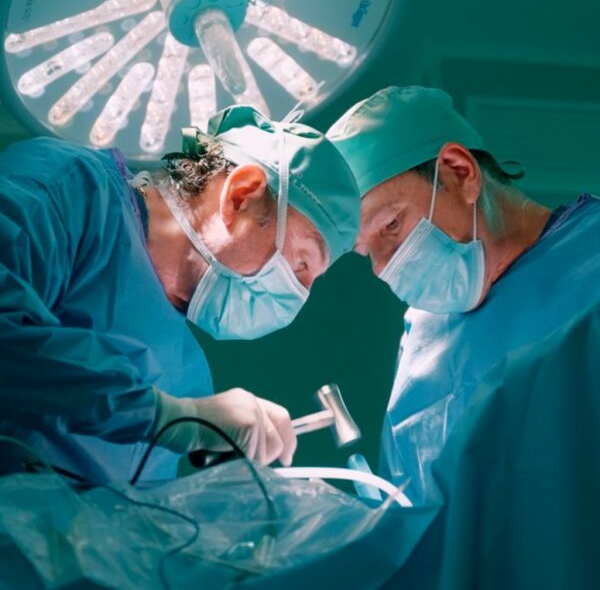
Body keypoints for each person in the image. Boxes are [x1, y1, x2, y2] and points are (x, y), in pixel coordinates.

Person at [0, 104, 360, 483]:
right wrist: (169, 417)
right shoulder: (67, 189)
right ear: (241, 196)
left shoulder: (185, 375)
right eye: (302, 262)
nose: (299, 295)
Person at [327, 85, 600, 505]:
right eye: (365, 251)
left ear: (459, 172)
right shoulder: (422, 335)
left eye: (392, 225)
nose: (381, 268)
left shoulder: (590, 255)